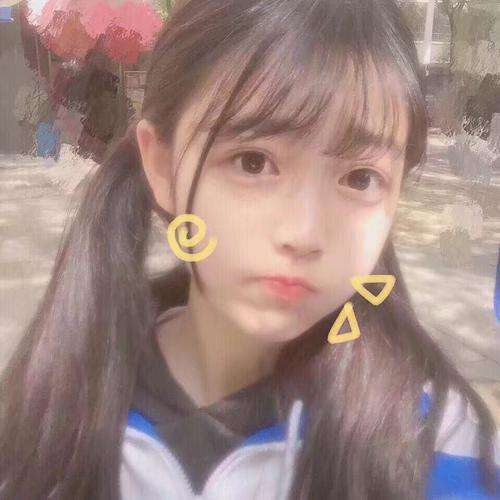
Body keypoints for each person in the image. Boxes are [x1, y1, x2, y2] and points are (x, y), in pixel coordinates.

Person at [0, 1, 499, 499]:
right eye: (253, 162)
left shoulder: (432, 445)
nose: (303, 233)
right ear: (163, 167)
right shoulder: (53, 412)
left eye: (360, 178)